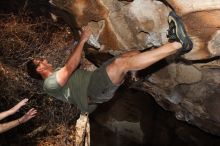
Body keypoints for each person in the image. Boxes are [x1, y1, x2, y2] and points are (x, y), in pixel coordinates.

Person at [27, 11, 193, 113]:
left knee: (129, 55)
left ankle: (137, 72)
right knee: (122, 64)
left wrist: (77, 45)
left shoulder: (55, 74)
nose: (45, 59)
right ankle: (178, 43)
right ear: (39, 69)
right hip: (92, 92)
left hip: (94, 80)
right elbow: (70, 66)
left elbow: (70, 66)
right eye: (41, 60)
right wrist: (83, 39)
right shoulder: (48, 84)